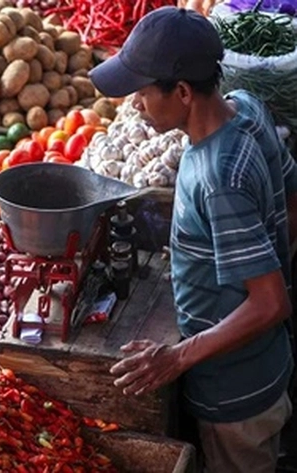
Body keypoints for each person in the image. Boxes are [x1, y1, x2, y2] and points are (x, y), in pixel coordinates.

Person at [89, 7, 294, 473]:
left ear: (182, 92)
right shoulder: (248, 107)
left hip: (236, 396)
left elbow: (269, 303)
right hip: (267, 365)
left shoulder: (217, 178)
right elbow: (292, 200)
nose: (136, 104)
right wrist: (244, 251)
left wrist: (176, 357)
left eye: (142, 91)